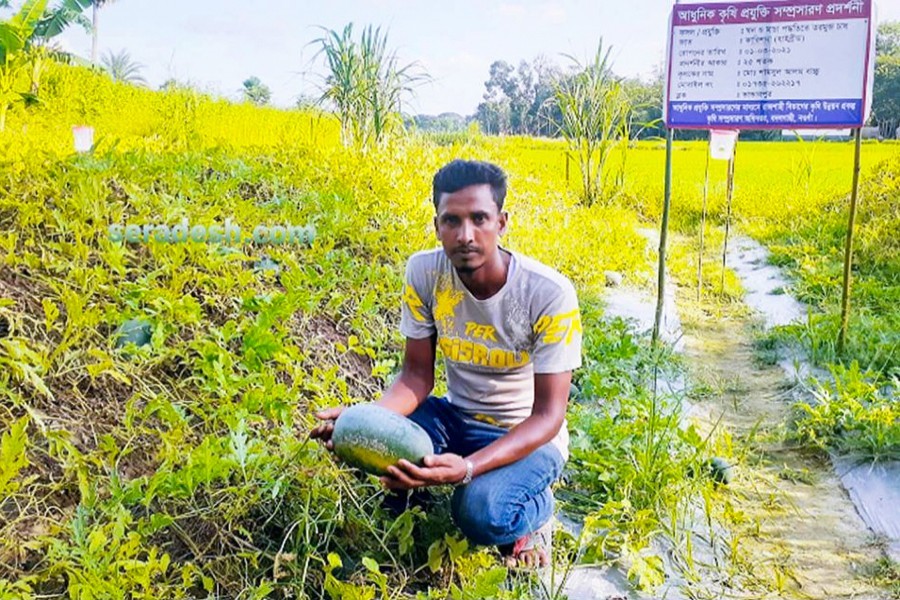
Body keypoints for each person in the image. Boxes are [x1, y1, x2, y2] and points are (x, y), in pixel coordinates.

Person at [311, 159, 582, 568]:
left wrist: (469, 468)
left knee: (479, 512)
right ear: (437, 225)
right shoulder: (425, 272)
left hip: (526, 435)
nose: (465, 235)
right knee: (377, 453)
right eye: (452, 221)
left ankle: (536, 512)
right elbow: (417, 377)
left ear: (502, 222)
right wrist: (361, 420)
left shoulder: (548, 293)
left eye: (479, 218)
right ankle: (423, 484)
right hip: (454, 416)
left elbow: (548, 416)